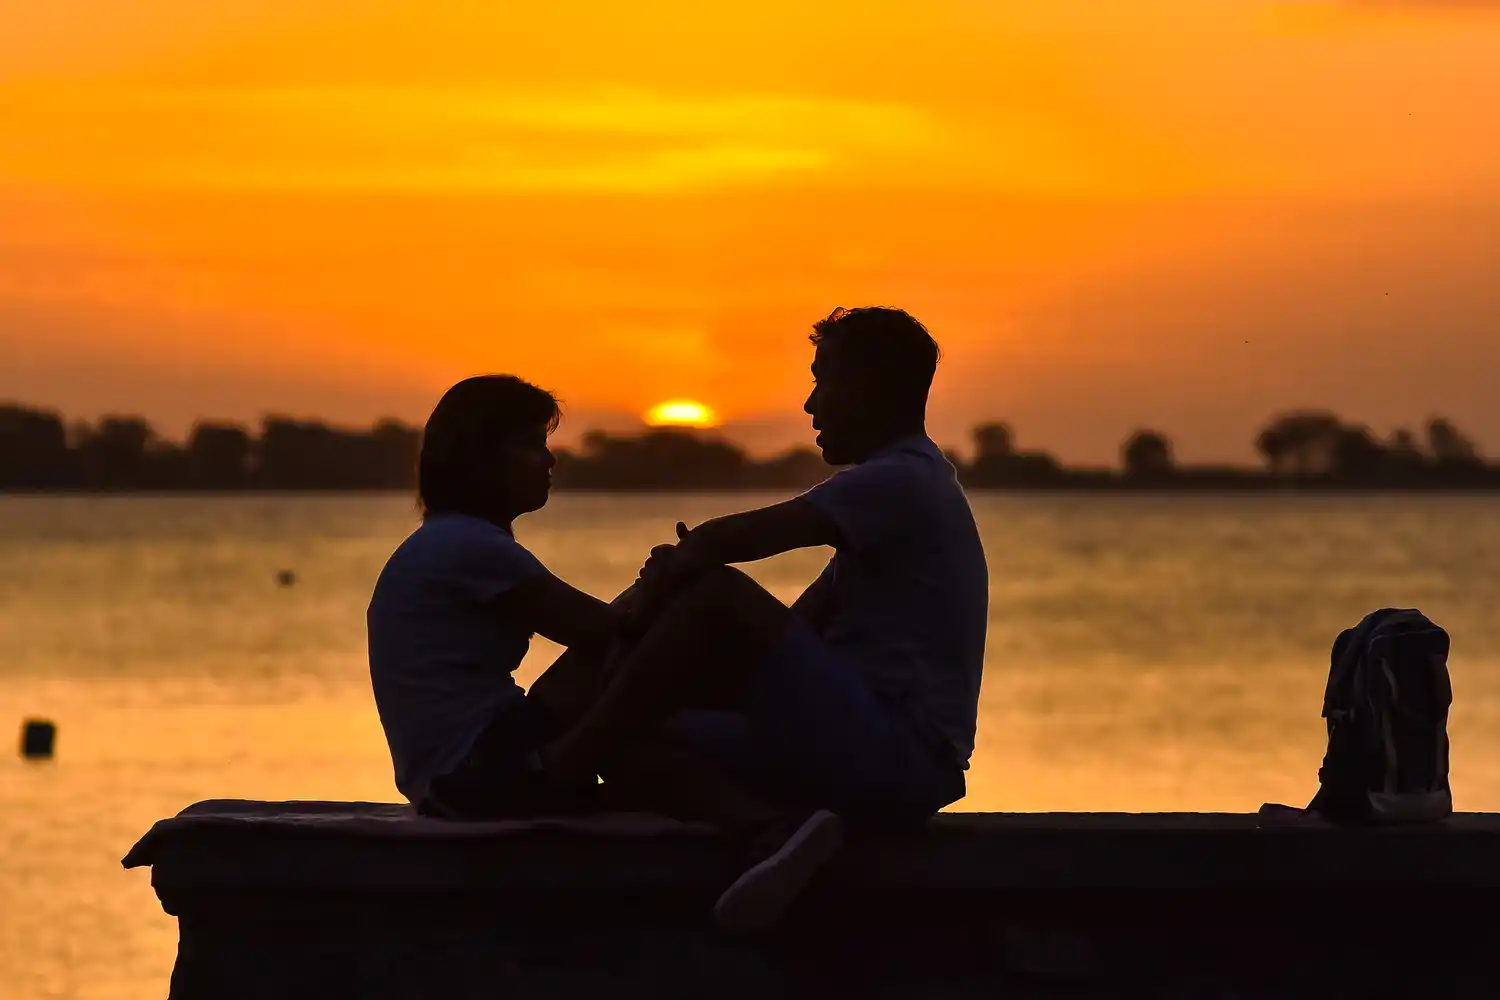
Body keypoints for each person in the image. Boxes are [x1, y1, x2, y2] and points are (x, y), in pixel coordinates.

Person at [536, 306, 990, 931]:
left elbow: (745, 540)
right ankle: (768, 835)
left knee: (717, 595)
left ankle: (552, 771)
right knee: (636, 735)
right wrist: (661, 645)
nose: (810, 405)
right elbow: (791, 635)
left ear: (869, 389)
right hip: (865, 758)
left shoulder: (902, 480)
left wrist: (673, 576)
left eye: (820, 381)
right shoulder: (887, 509)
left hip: (899, 757)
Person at [367, 375, 625, 819]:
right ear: (481, 460)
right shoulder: (470, 546)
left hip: (452, 771)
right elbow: (603, 631)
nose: (549, 459)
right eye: (530, 445)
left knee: (640, 652)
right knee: (665, 635)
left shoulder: (449, 539)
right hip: (474, 771)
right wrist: (669, 584)